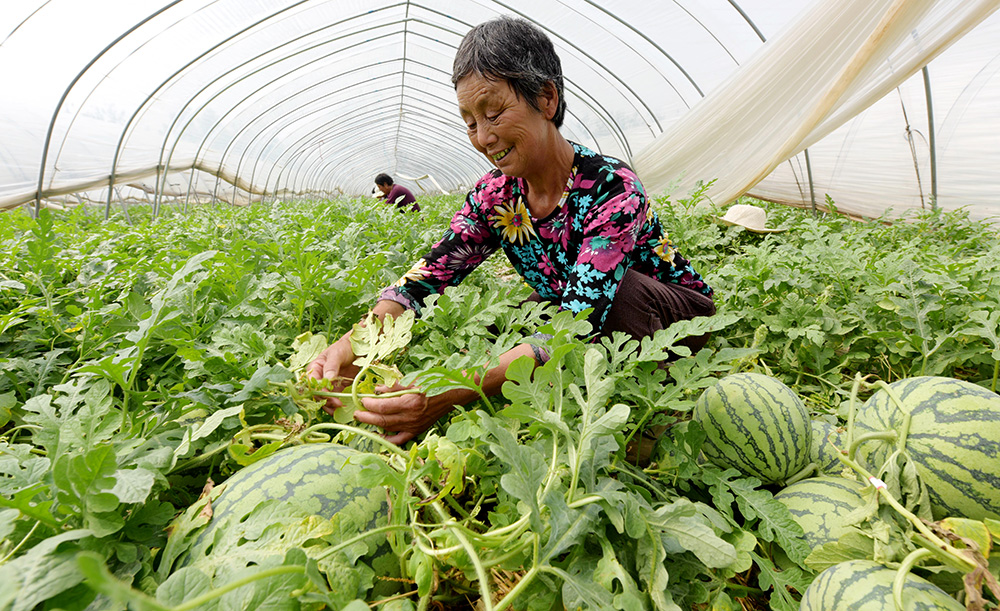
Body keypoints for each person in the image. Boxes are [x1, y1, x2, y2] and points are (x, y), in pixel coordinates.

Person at [310, 16, 715, 448]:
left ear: (546, 98)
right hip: (573, 307)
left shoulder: (610, 187)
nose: (483, 137)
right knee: (515, 321)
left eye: (494, 113)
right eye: (469, 122)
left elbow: (579, 319)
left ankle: (649, 419)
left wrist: (449, 392)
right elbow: (428, 277)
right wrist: (352, 343)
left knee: (616, 297)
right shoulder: (494, 198)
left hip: (673, 317)